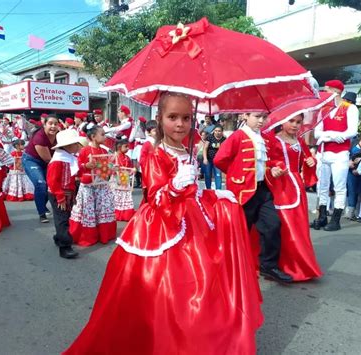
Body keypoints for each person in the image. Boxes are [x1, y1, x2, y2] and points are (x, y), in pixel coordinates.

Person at [63, 92, 263, 355]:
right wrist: (176, 185)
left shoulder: (186, 149)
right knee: (165, 291)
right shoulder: (155, 152)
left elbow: (192, 191)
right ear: (159, 119)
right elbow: (156, 195)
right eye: (173, 117)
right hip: (160, 226)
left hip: (190, 221)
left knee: (200, 286)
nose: (180, 124)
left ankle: (194, 339)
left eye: (186, 118)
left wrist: (214, 194)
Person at [214, 112, 293, 283]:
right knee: (240, 232)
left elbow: (263, 163)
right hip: (243, 191)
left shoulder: (263, 138)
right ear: (245, 116)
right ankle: (230, 268)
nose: (261, 121)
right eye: (257, 116)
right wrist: (236, 176)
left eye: (264, 117)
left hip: (262, 189)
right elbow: (220, 159)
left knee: (272, 225)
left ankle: (268, 265)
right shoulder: (237, 136)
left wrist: (270, 170)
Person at [265, 114, 323, 281]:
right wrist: (273, 167)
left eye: (299, 122)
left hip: (296, 186)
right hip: (279, 187)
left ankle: (299, 264)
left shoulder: (299, 141)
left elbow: (306, 158)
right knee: (283, 225)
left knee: (298, 225)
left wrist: (311, 162)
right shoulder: (272, 140)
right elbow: (264, 161)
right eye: (291, 121)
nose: (296, 125)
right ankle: (281, 264)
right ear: (281, 121)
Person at [312, 80, 359, 231]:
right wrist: (332, 135)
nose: (323, 93)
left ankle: (336, 220)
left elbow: (352, 131)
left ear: (336, 91)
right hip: (323, 152)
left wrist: (329, 136)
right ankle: (322, 217)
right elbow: (317, 132)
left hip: (340, 153)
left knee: (339, 186)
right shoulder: (323, 108)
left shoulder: (350, 108)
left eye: (326, 90)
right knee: (322, 186)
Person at [69, 125, 117, 247]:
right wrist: (86, 166)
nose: (105, 137)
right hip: (88, 186)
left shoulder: (104, 151)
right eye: (102, 134)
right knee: (88, 210)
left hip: (101, 184)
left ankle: (103, 234)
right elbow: (77, 169)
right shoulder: (85, 151)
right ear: (93, 137)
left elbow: (105, 167)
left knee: (103, 208)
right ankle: (88, 236)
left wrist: (113, 168)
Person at [47, 129, 84, 259]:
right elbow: (52, 181)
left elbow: (76, 172)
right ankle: (65, 247)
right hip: (59, 194)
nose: (78, 146)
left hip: (68, 193)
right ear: (68, 146)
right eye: (76, 144)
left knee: (65, 217)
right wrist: (60, 196)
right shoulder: (58, 161)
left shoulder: (68, 158)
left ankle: (59, 237)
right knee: (62, 219)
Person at [22, 114, 59, 223]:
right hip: (32, 160)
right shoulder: (39, 137)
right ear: (44, 124)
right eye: (50, 124)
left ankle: (42, 206)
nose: (53, 126)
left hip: (49, 161)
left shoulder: (59, 136)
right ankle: (42, 213)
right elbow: (48, 159)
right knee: (41, 184)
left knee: (50, 184)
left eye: (55, 124)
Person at [112, 139, 136, 221]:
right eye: (126, 147)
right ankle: (116, 213)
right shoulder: (113, 156)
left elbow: (130, 168)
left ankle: (126, 214)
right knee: (116, 196)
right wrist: (113, 168)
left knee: (125, 197)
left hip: (125, 178)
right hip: (116, 179)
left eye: (128, 146)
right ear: (119, 147)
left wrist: (132, 170)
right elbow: (107, 166)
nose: (128, 148)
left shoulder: (127, 158)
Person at [203, 125, 226, 190]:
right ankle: (208, 190)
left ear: (222, 132)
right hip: (209, 159)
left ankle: (218, 191)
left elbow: (225, 151)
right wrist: (205, 158)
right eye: (215, 131)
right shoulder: (210, 137)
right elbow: (205, 148)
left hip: (218, 161)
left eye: (219, 131)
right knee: (207, 175)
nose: (217, 132)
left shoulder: (224, 139)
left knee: (218, 175)